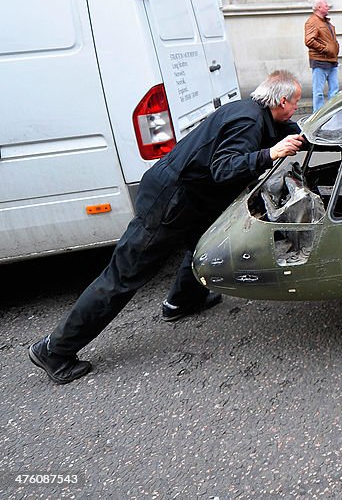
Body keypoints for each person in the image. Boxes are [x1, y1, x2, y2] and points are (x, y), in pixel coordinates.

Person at [28, 71, 306, 384]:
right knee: (122, 277)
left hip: (192, 198)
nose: (296, 108)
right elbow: (224, 168)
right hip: (170, 200)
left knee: (205, 245)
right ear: (281, 100)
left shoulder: (256, 113)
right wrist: (270, 154)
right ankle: (55, 350)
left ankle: (182, 302)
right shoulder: (248, 122)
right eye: (295, 103)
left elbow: (289, 130)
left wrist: (313, 132)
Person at [305, 0, 340, 112]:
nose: (328, 7)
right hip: (320, 61)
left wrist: (334, 48)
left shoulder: (326, 21)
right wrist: (325, 49)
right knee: (318, 92)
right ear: (319, 7)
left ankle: (333, 114)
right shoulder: (312, 22)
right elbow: (309, 41)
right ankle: (318, 116)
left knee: (334, 90)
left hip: (332, 60)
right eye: (325, 5)